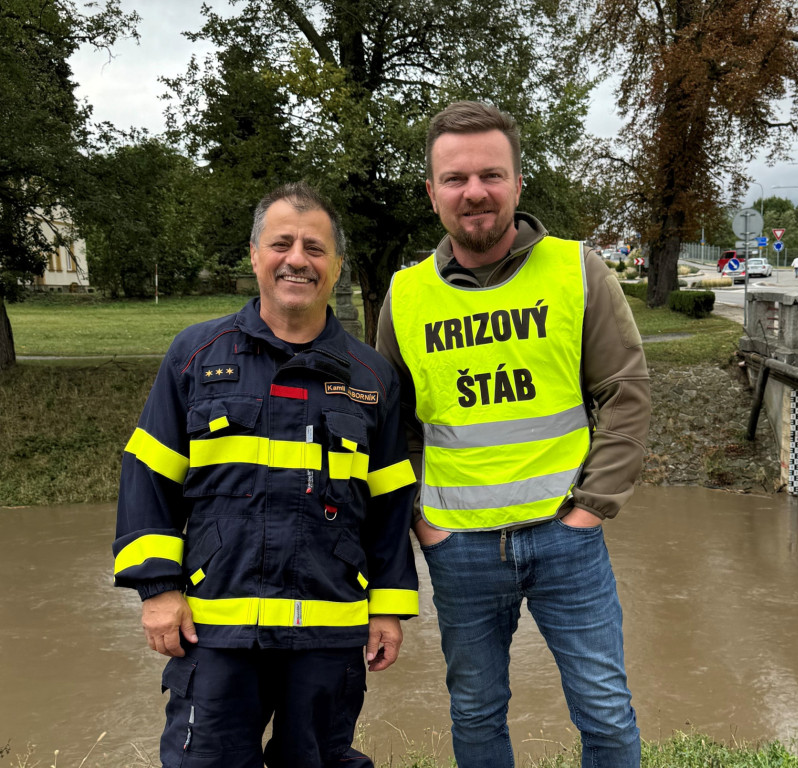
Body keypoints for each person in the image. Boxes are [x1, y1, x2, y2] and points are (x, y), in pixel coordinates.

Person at [376, 101, 651, 767]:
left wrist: (591, 510)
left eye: (491, 175)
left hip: (568, 541)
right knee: (475, 713)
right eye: (456, 178)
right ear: (432, 193)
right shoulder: (405, 296)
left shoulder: (575, 269)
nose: (475, 192)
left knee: (607, 714)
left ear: (518, 184)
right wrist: (422, 522)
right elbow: (385, 429)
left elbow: (626, 393)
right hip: (459, 547)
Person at [113, 181, 419, 768]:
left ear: (336, 266)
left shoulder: (371, 376)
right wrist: (158, 590)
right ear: (255, 255)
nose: (297, 259)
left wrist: (388, 608)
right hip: (216, 634)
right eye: (281, 243)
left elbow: (388, 504)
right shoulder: (196, 355)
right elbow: (148, 476)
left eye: (315, 247)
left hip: (328, 635)